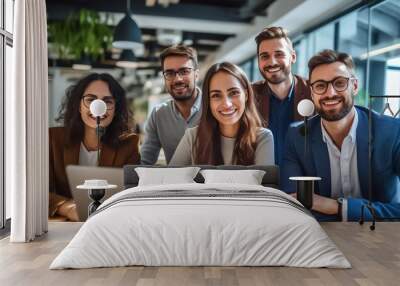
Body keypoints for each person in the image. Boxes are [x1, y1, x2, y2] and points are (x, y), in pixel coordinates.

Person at [281, 49, 400, 221]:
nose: (330, 93)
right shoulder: (297, 137)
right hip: (322, 238)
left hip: (381, 239)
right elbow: (292, 206)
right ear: (312, 92)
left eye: (339, 83)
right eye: (321, 85)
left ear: (355, 86)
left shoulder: (391, 132)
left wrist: (338, 207)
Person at [49, 73, 140, 221]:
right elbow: (36, 191)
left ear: (116, 108)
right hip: (63, 225)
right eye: (91, 99)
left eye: (107, 101)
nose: (98, 107)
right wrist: (66, 207)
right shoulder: (53, 139)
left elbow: (130, 193)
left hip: (107, 223)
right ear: (79, 105)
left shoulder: (129, 144)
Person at [170, 62, 274, 166]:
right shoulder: (192, 137)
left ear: (246, 95)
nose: (226, 104)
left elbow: (264, 182)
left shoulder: (262, 138)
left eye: (233, 93)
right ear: (208, 101)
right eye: (216, 95)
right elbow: (171, 179)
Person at [252, 26, 311, 166]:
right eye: (264, 56)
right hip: (263, 181)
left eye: (279, 54)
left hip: (303, 181)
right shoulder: (248, 96)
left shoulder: (314, 92)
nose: (272, 62)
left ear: (293, 57)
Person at [140, 45, 202, 165]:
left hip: (212, 183)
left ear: (196, 75)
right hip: (175, 182)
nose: (177, 79)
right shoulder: (158, 115)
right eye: (170, 73)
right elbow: (145, 162)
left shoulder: (214, 109)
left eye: (184, 71)